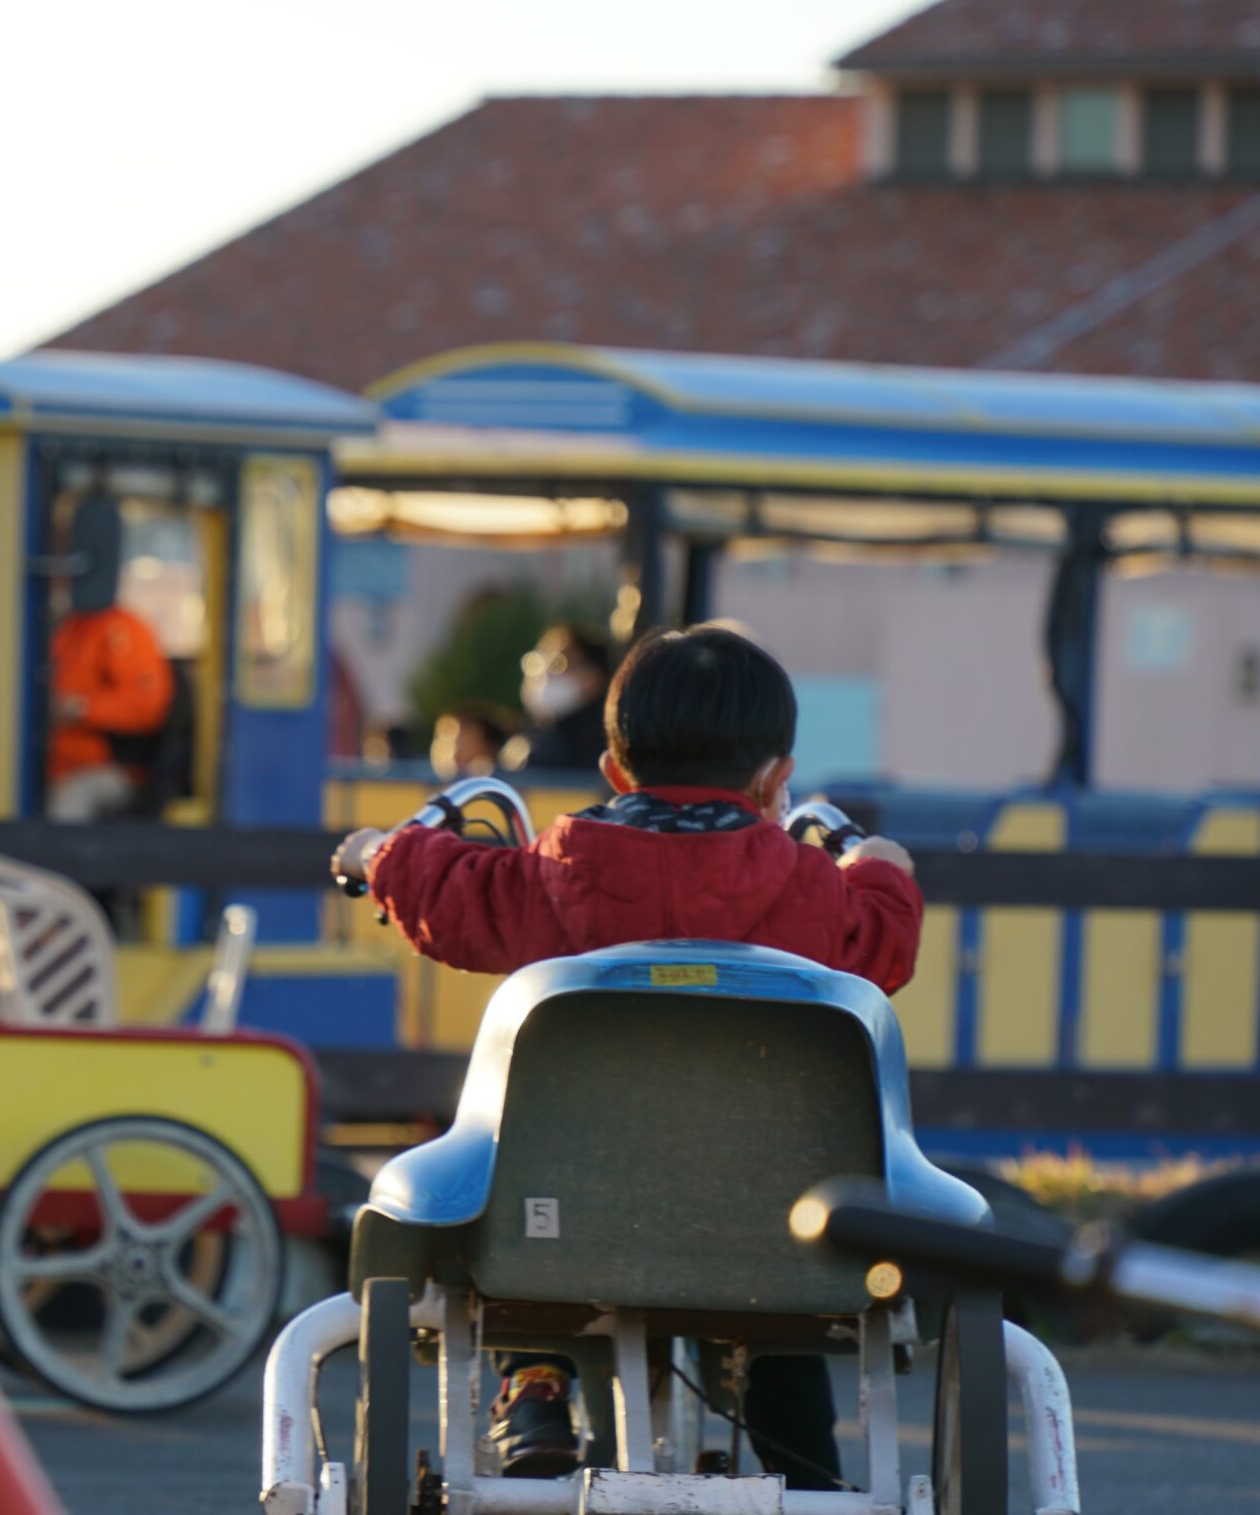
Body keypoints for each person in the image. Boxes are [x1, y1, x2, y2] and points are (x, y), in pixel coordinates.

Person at [332, 623, 920, 1484]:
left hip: (564, 1227)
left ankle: (535, 1381)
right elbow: (885, 943)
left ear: (613, 771)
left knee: (520, 1199)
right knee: (781, 1311)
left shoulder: (546, 876)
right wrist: (883, 870)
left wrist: (376, 855)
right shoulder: (816, 898)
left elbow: (442, 886)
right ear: (775, 781)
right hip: (769, 1232)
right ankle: (807, 1472)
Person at [47, 498, 174, 822]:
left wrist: (78, 708)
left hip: (103, 769)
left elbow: (146, 706)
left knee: (68, 804)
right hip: (50, 764)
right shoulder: (66, 628)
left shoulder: (124, 630)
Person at [501, 622, 612, 774]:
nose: (545, 673)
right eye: (542, 661)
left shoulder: (608, 744)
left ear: (592, 677)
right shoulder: (531, 736)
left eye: (558, 663)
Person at [430, 699, 518, 782]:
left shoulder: (507, 783)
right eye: (440, 739)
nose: (442, 750)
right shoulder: (428, 783)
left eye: (459, 743)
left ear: (490, 748)